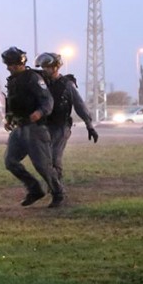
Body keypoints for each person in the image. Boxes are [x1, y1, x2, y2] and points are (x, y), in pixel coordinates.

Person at [1, 46, 64, 208]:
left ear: (19, 63)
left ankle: (57, 192)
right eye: (7, 64)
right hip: (19, 128)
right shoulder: (12, 81)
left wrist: (40, 112)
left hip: (35, 129)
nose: (9, 67)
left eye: (11, 64)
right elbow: (12, 102)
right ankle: (34, 189)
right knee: (10, 162)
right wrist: (9, 118)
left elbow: (47, 100)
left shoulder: (33, 78)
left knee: (42, 166)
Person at [35, 52, 98, 192]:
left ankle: (56, 190)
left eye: (47, 67)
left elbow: (79, 105)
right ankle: (52, 185)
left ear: (56, 67)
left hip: (60, 127)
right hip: (44, 127)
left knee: (54, 157)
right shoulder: (40, 84)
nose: (44, 70)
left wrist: (89, 125)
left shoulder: (66, 85)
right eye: (43, 67)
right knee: (44, 159)